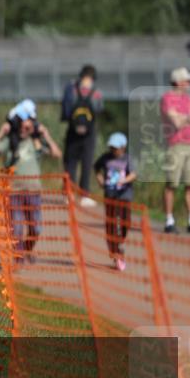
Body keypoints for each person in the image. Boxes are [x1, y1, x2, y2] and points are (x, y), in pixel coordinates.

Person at [0, 111, 62, 263]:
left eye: (27, 126)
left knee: (36, 229)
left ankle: (27, 249)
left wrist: (46, 134)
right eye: (20, 126)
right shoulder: (9, 141)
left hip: (33, 192)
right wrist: (1, 132)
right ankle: (19, 257)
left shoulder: (36, 143)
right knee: (17, 228)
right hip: (14, 191)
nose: (23, 129)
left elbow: (57, 154)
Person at [160, 67, 190, 233]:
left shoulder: (188, 99)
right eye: (186, 80)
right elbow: (176, 123)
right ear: (178, 82)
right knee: (172, 184)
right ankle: (169, 220)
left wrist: (184, 117)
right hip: (175, 145)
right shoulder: (167, 98)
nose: (189, 83)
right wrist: (187, 117)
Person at [60, 65, 104, 206]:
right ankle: (84, 194)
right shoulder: (97, 92)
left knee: (70, 163)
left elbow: (66, 111)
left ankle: (68, 193)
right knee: (87, 163)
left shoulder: (71, 89)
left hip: (73, 131)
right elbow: (99, 109)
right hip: (89, 134)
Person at [93, 132, 136, 271]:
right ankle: (115, 250)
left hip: (124, 195)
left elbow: (134, 174)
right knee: (110, 223)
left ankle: (120, 241)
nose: (113, 150)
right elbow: (96, 168)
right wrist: (100, 180)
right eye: (111, 147)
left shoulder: (128, 159)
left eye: (116, 148)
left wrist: (124, 180)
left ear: (123, 147)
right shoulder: (105, 158)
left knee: (125, 222)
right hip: (110, 195)